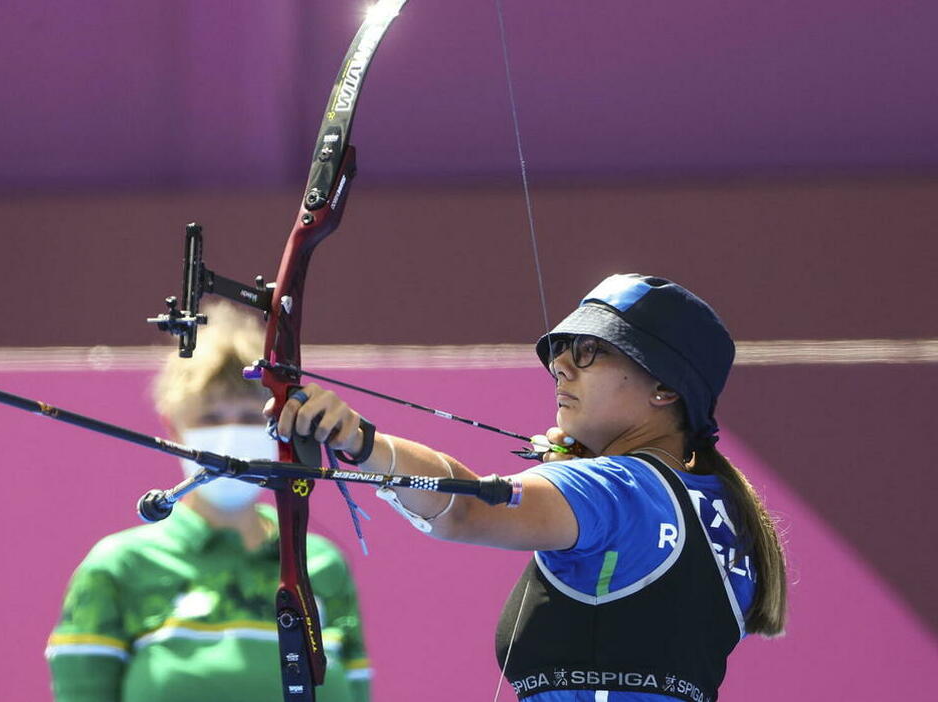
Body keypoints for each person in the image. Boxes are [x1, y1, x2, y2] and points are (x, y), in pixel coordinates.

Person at [270, 274, 787, 702]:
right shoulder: (723, 507)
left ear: (665, 388)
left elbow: (467, 510)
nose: (560, 366)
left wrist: (362, 443)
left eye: (590, 352)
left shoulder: (617, 488)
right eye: (562, 350)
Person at [45, 302, 372, 702]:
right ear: (173, 428)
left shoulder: (320, 564)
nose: (230, 434)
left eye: (251, 417)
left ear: (279, 428)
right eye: (211, 417)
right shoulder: (118, 567)